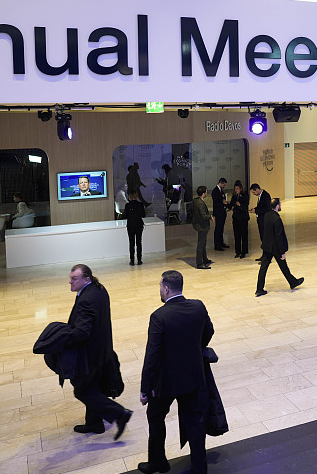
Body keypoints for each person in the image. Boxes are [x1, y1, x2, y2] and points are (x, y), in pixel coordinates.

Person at [139, 270, 214, 474]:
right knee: (195, 423)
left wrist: (145, 388)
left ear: (166, 289)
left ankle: (158, 462)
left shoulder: (159, 316)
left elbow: (152, 355)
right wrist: (195, 349)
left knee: (155, 416)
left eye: (160, 287)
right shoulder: (198, 306)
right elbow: (209, 331)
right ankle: (200, 468)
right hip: (193, 376)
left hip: (167, 380)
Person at [65, 264, 133, 437]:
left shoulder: (86, 299)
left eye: (74, 279)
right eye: (70, 278)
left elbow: (82, 331)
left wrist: (63, 339)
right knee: (93, 387)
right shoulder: (99, 289)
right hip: (103, 350)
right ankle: (94, 423)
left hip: (90, 355)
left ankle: (120, 414)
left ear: (86, 279)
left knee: (82, 390)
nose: (70, 282)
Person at [255, 198, 304, 297]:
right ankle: (293, 282)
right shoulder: (277, 219)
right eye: (280, 204)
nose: (281, 205)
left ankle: (259, 289)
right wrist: (282, 252)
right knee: (283, 266)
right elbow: (279, 237)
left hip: (267, 246)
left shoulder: (267, 215)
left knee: (263, 268)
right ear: (277, 206)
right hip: (275, 248)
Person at [249, 183, 271, 261]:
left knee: (265, 239)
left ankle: (267, 257)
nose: (253, 194)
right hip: (261, 221)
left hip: (264, 221)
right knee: (263, 239)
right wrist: (255, 209)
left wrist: (256, 210)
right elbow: (261, 207)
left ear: (257, 189)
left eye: (253, 192)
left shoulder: (266, 195)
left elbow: (267, 208)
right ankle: (264, 255)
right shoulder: (261, 196)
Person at [192, 186, 212, 270]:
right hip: (202, 226)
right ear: (204, 193)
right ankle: (199, 263)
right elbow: (203, 216)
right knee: (201, 245)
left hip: (199, 225)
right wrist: (210, 216)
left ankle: (205, 259)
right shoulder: (200, 203)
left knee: (203, 243)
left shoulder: (196, 201)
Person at [124, 190, 146, 266]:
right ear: (136, 196)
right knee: (139, 243)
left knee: (131, 243)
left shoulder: (127, 205)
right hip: (139, 225)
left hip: (130, 225)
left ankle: (132, 261)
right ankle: (139, 260)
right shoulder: (140, 204)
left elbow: (125, 216)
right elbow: (143, 215)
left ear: (129, 196)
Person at [229, 181, 249, 258]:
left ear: (241, 189)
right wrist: (226, 203)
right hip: (236, 218)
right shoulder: (234, 196)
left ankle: (244, 251)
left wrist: (240, 205)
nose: (236, 190)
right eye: (235, 189)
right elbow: (231, 205)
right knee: (236, 235)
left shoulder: (245, 196)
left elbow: (246, 206)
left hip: (243, 218)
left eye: (237, 189)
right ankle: (238, 251)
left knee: (244, 235)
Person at [211, 178, 229, 251]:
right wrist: (223, 202)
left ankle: (221, 243)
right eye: (224, 185)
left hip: (222, 212)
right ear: (221, 183)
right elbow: (216, 201)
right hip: (218, 213)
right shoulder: (215, 191)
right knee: (218, 228)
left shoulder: (221, 191)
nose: (224, 186)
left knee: (221, 228)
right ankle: (217, 245)